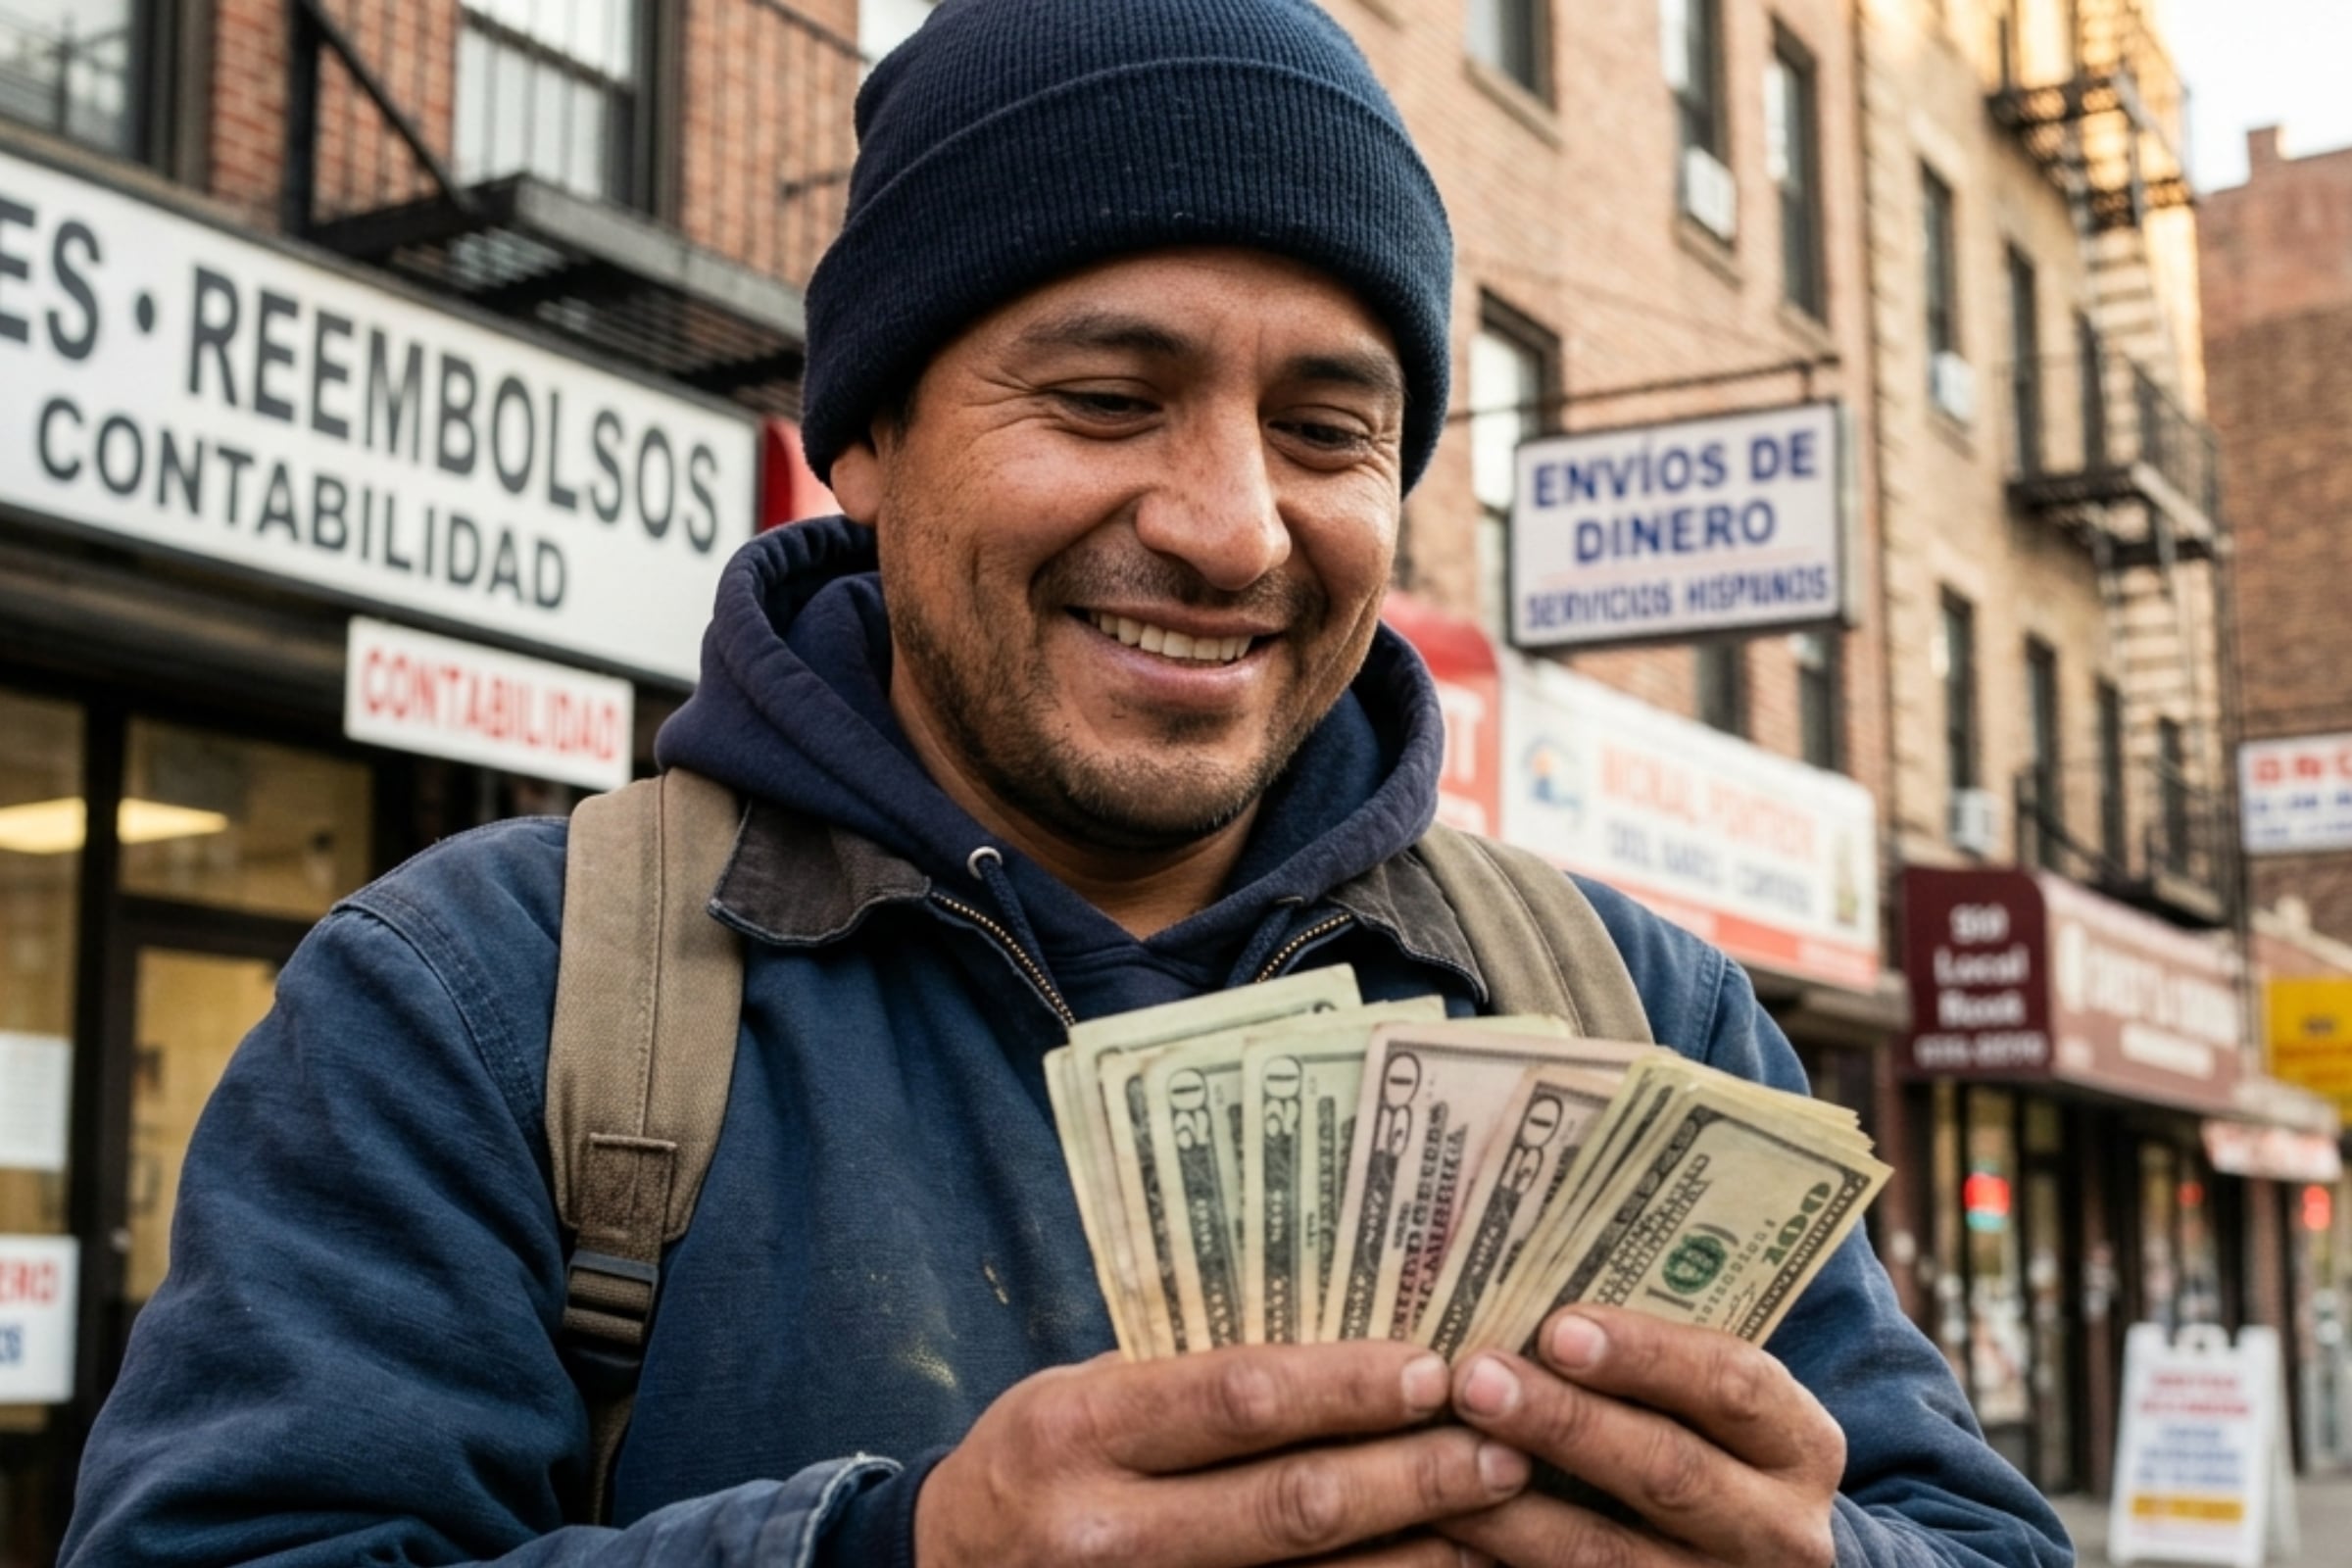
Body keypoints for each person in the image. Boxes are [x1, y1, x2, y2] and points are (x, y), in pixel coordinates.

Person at [63, 2, 2072, 1565]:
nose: (1227, 525)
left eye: (1327, 427)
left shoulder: (1635, 1015)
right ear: (864, 441)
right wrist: (888, 1546)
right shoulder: (477, 1003)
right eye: (1107, 399)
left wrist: (1803, 1541)